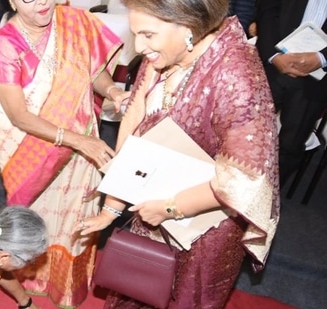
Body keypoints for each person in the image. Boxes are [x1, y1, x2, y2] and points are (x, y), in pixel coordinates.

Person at [78, 0, 280, 308]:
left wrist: (170, 209)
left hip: (206, 226)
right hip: (152, 203)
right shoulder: (162, 54)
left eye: (147, 34)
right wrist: (112, 208)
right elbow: (133, 124)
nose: (139, 46)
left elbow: (247, 180)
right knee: (137, 287)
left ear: (188, 27)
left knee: (188, 298)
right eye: (136, 34)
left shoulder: (237, 74)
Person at [0, 0, 128, 307]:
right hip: (31, 151)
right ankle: (32, 279)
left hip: (82, 146)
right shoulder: (5, 44)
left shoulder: (74, 21)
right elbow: (18, 116)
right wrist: (76, 140)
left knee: (77, 216)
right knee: (36, 218)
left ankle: (65, 286)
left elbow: (94, 72)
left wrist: (114, 91)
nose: (41, 2)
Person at [256, 0, 327, 187]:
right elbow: (269, 8)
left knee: (290, 146)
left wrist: (322, 57)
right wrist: (273, 55)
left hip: (316, 82)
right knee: (243, 127)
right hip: (273, 64)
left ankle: (265, 198)